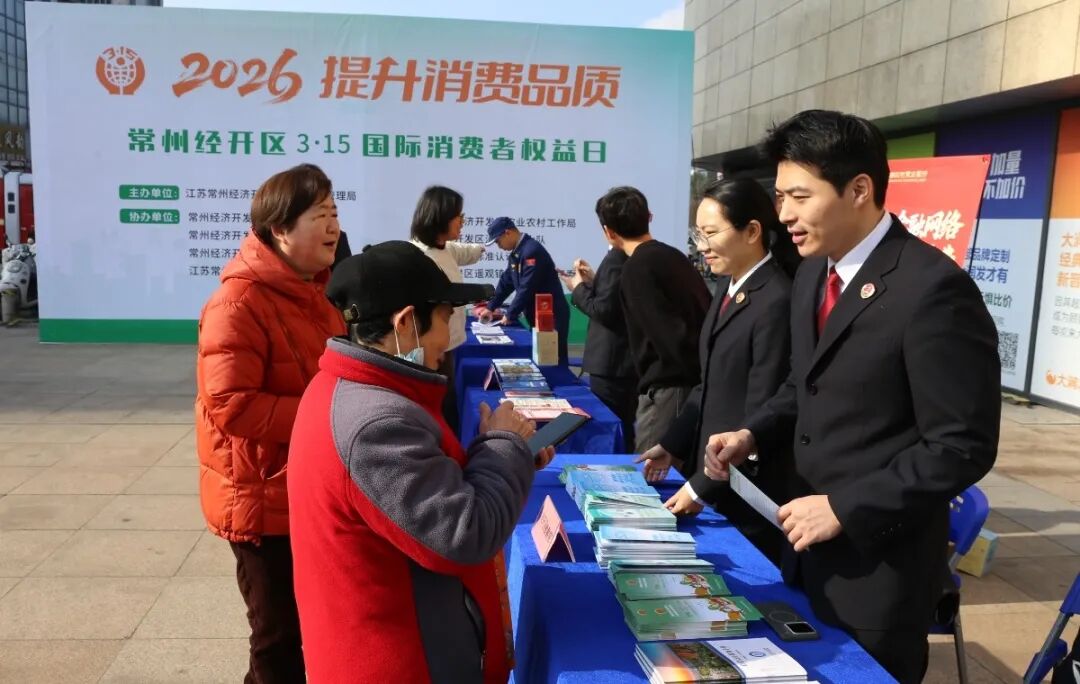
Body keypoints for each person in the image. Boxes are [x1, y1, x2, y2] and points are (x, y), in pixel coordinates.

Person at [703, 110, 1000, 683]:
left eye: (799, 196)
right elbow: (803, 383)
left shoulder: (933, 290)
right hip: (803, 553)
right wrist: (752, 432)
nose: (784, 214)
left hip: (878, 576)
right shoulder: (813, 275)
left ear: (859, 189)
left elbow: (961, 446)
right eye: (780, 196)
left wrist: (845, 507)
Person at [287, 240, 554, 683]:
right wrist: (504, 445)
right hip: (397, 660)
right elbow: (465, 533)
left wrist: (504, 456)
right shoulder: (377, 424)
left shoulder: (352, 389)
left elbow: (423, 497)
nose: (449, 338)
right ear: (406, 322)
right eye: (445, 318)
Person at [195, 163, 346, 683]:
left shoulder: (314, 294)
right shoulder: (237, 303)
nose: (334, 226)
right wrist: (326, 416)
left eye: (335, 213)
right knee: (277, 637)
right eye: (320, 215)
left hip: (302, 488)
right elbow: (232, 405)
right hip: (261, 498)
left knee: (306, 628)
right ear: (280, 229)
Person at [635, 177, 800, 565]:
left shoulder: (776, 300)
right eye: (698, 234)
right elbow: (709, 384)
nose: (701, 246)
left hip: (745, 490)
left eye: (710, 233)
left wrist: (701, 488)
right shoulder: (729, 287)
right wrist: (672, 444)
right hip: (714, 478)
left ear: (752, 232)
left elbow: (760, 412)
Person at [596, 186, 711, 453]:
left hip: (670, 389)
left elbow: (665, 334)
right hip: (693, 384)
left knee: (650, 468)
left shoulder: (637, 268)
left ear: (609, 232)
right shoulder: (673, 256)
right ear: (649, 217)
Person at [409, 185, 485, 432]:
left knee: (448, 405)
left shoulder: (445, 247)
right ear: (441, 217)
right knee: (439, 412)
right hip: (432, 353)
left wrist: (483, 247)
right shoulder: (420, 257)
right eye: (458, 216)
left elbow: (466, 252)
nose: (462, 222)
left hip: (449, 346)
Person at [562, 241, 638, 453]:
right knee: (623, 423)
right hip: (619, 361)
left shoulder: (617, 258)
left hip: (612, 361)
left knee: (615, 425)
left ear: (608, 231)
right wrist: (592, 282)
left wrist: (578, 288)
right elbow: (611, 300)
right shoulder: (625, 256)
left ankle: (618, 465)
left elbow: (603, 311)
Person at [475, 217, 570, 364]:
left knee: (553, 359)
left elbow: (527, 287)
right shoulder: (517, 253)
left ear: (507, 233)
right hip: (537, 314)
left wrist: (510, 314)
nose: (499, 246)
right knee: (541, 358)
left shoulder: (531, 251)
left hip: (551, 315)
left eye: (498, 241)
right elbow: (506, 282)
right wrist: (490, 307)